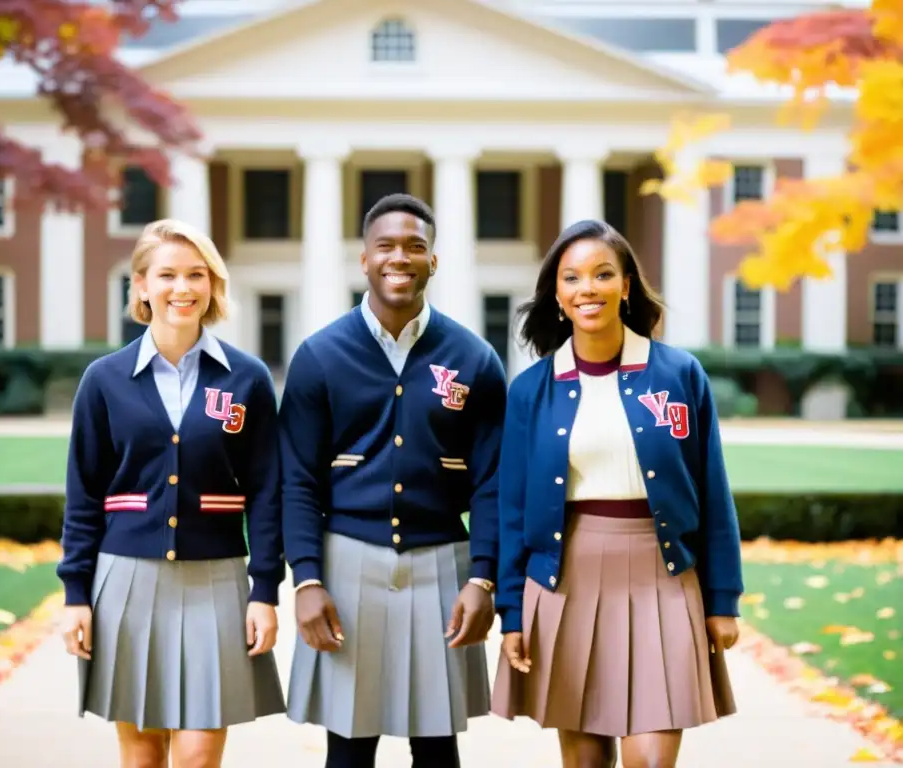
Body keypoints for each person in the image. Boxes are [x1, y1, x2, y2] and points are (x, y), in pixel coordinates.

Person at [490, 219, 742, 768]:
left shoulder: (679, 373)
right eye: (573, 277)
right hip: (565, 580)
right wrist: (511, 612)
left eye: (603, 274)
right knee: (585, 763)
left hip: (664, 575)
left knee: (651, 759)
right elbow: (510, 510)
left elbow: (713, 491)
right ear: (556, 295)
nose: (588, 289)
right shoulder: (531, 389)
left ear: (626, 285)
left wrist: (723, 599)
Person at [279, 193, 507, 768]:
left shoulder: (474, 358)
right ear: (364, 260)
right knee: (349, 749)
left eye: (415, 246)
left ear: (434, 261)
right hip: (346, 562)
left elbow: (492, 483)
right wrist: (306, 580)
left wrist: (483, 579)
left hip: (443, 566)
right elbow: (298, 480)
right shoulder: (319, 355)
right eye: (385, 246)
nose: (399, 258)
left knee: (437, 749)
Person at [56, 219, 286, 768]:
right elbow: (83, 493)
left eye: (196, 275)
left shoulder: (246, 379)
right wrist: (75, 596)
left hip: (218, 578)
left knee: (201, 752)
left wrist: (265, 590)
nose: (182, 288)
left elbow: (267, 490)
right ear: (140, 285)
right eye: (167, 275)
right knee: (141, 752)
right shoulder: (104, 379)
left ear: (212, 285)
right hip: (126, 580)